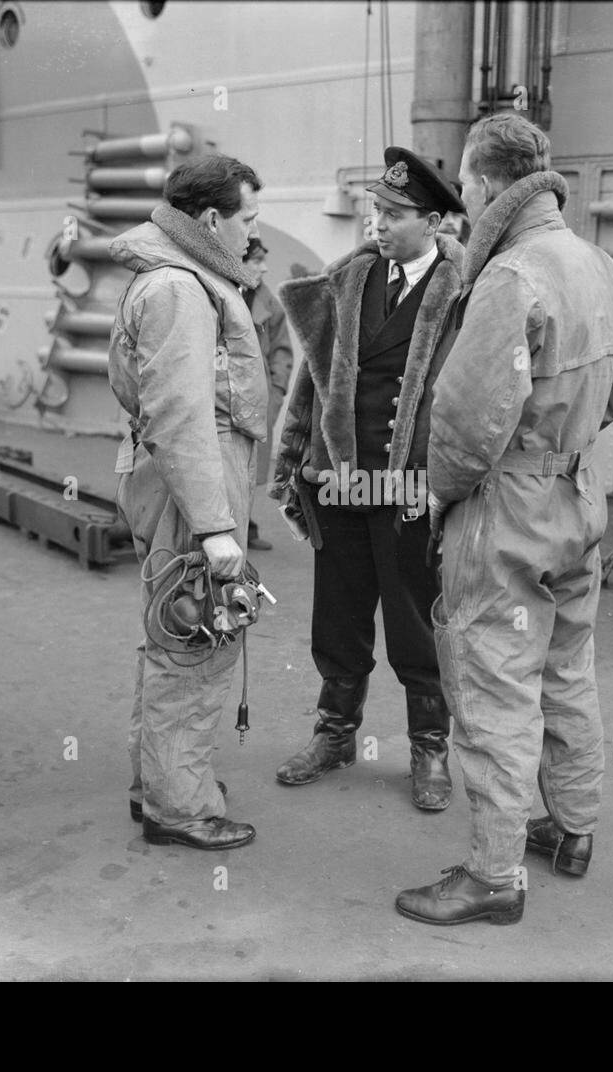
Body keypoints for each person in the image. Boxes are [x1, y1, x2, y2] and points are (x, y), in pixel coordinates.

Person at [395, 114, 613, 925]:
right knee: (567, 672)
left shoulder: (511, 275)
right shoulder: (595, 262)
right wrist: (569, 435)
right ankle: (571, 831)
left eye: (467, 186)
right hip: (578, 498)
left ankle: (492, 877)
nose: (466, 199)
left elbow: (469, 419)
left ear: (485, 184)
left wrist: (440, 491)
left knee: (493, 688)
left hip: (506, 509)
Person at [270, 147, 466, 811]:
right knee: (339, 618)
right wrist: (294, 463)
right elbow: (313, 383)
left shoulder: (463, 295)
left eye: (395, 213)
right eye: (375, 210)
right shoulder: (349, 282)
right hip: (345, 485)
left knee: (416, 626)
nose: (377, 224)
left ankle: (429, 749)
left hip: (414, 492)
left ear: (434, 221)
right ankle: (334, 734)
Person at [108, 154, 268, 851]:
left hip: (174, 481)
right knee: (194, 644)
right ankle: (181, 808)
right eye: (248, 219)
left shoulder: (179, 278)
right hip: (188, 490)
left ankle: (161, 785)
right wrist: (215, 528)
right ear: (212, 219)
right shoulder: (180, 289)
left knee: (171, 635)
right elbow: (180, 416)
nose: (252, 235)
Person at [242, 237, 294, 551]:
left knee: (250, 470)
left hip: (259, 401)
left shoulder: (268, 302)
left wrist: (276, 393)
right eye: (256, 260)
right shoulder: (219, 293)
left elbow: (281, 352)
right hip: (224, 399)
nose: (263, 267)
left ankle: (245, 527)